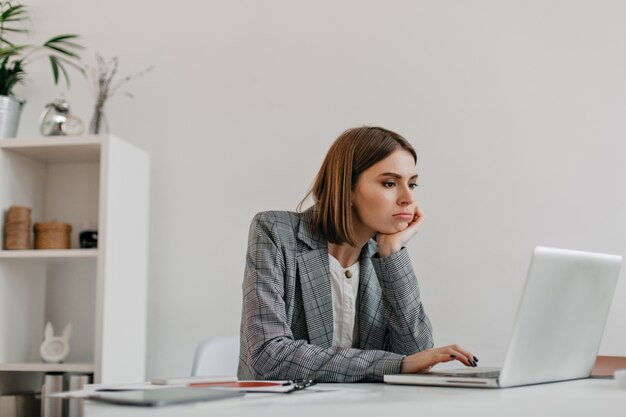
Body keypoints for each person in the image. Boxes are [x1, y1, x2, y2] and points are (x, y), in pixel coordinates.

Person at [238, 126, 477, 382]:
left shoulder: (383, 259)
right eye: (389, 183)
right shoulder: (275, 232)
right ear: (347, 188)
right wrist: (391, 365)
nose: (409, 198)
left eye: (412, 184)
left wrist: (392, 254)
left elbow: (415, 355)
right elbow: (268, 357)